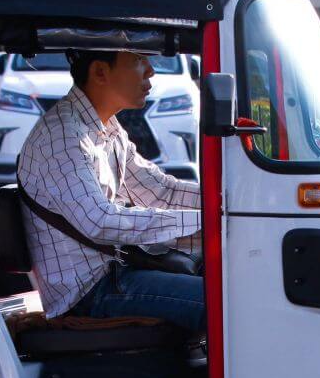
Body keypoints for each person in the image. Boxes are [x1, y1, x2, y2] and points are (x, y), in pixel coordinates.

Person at [16, 49, 204, 330]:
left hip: (116, 271)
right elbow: (99, 220)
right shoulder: (64, 136)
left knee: (230, 277)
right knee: (232, 302)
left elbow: (159, 191)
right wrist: (205, 222)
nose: (150, 70)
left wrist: (230, 205)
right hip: (90, 292)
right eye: (139, 60)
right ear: (100, 72)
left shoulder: (105, 127)